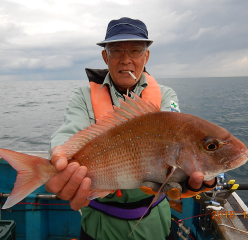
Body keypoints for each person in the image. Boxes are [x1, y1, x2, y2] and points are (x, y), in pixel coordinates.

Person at [45, 17, 216, 240]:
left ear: (146, 56)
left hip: (154, 220)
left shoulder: (165, 95)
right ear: (105, 57)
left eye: (135, 50)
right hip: (99, 224)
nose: (126, 59)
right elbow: (68, 132)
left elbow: (178, 137)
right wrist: (58, 154)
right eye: (116, 51)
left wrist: (195, 175)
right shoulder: (83, 96)